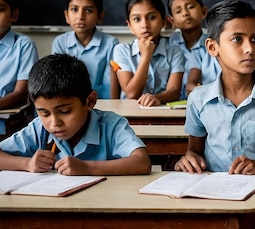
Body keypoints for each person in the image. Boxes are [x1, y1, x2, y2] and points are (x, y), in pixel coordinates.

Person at [175, 0, 255, 227]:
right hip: (213, 194)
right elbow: (194, 150)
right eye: (237, 40)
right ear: (213, 47)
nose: (250, 48)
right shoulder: (199, 98)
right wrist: (190, 159)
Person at [0, 54, 151, 175]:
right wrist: (27, 164)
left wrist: (87, 168)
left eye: (65, 111)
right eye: (44, 113)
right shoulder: (39, 129)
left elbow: (142, 163)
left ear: (90, 101)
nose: (54, 123)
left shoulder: (111, 125)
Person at [112, 0, 184, 106]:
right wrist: (146, 56)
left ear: (163, 22)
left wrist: (156, 98)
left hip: (163, 112)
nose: (144, 24)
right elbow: (132, 94)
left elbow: (174, 91)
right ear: (130, 26)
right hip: (130, 114)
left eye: (151, 17)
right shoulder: (121, 50)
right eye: (137, 19)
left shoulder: (175, 52)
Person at [52, 0, 120, 99]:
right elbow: (58, 81)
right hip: (70, 104)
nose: (80, 16)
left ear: (100, 16)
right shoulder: (60, 42)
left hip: (102, 104)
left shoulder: (110, 43)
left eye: (88, 10)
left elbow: (109, 85)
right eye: (74, 9)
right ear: (66, 15)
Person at [166, 0, 219, 99]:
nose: (185, 13)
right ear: (172, 21)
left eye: (190, 7)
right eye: (178, 11)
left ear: (204, 11)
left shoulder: (215, 45)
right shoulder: (168, 44)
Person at [0, 0, 39, 135]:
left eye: (0, 9)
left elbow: (21, 93)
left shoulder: (24, 45)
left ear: (14, 15)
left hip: (8, 124)